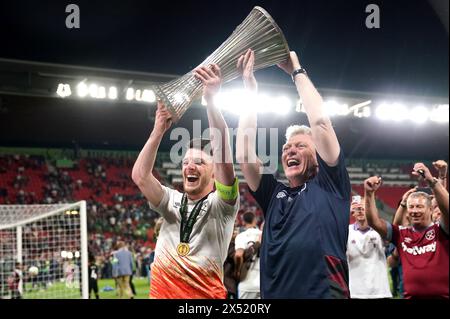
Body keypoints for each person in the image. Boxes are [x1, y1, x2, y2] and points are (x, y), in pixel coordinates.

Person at [236, 49, 351, 298]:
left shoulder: (331, 183)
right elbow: (244, 156)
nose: (290, 150)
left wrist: (296, 71)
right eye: (286, 147)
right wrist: (250, 91)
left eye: (300, 146)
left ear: (319, 156)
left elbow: (320, 122)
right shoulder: (274, 193)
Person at [132, 63, 239, 299]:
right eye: (186, 162)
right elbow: (140, 176)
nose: (189, 166)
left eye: (199, 163)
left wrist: (211, 101)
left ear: (214, 173)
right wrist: (158, 129)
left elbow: (223, 156)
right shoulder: (171, 200)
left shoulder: (222, 206)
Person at [363, 162, 449, 299]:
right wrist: (369, 193)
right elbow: (374, 222)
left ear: (431, 209)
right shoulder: (401, 233)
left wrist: (432, 181)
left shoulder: (442, 230)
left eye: (419, 206)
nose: (414, 211)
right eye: (412, 207)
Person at [346, 197, 392, 299]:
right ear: (353, 212)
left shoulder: (380, 230)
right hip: (354, 291)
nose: (361, 211)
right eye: (358, 208)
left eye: (364, 208)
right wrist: (346, 213)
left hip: (379, 291)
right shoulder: (346, 231)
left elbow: (390, 236)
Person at [234, 211, 262, 299]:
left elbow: (238, 255)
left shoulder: (241, 236)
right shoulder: (264, 235)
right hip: (263, 284)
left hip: (246, 284)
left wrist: (238, 270)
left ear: (243, 222)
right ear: (255, 221)